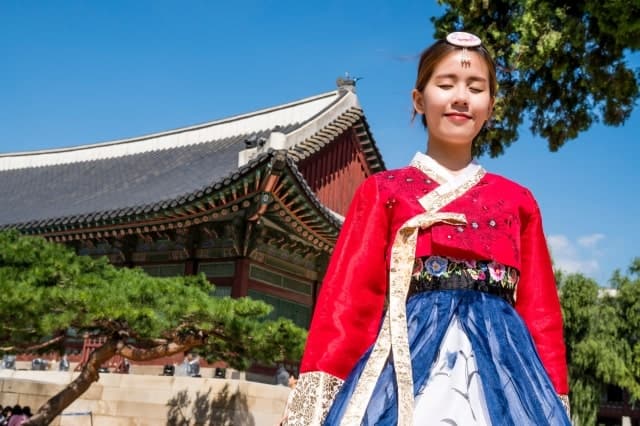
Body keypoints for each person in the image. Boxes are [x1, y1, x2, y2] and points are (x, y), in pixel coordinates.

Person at [283, 32, 570, 425]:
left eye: (476, 87)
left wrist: (551, 397)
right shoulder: (383, 192)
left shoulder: (518, 202)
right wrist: (317, 402)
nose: (460, 98)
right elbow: (347, 305)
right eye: (445, 84)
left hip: (506, 371)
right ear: (419, 100)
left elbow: (541, 313)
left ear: (490, 106)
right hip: (408, 363)